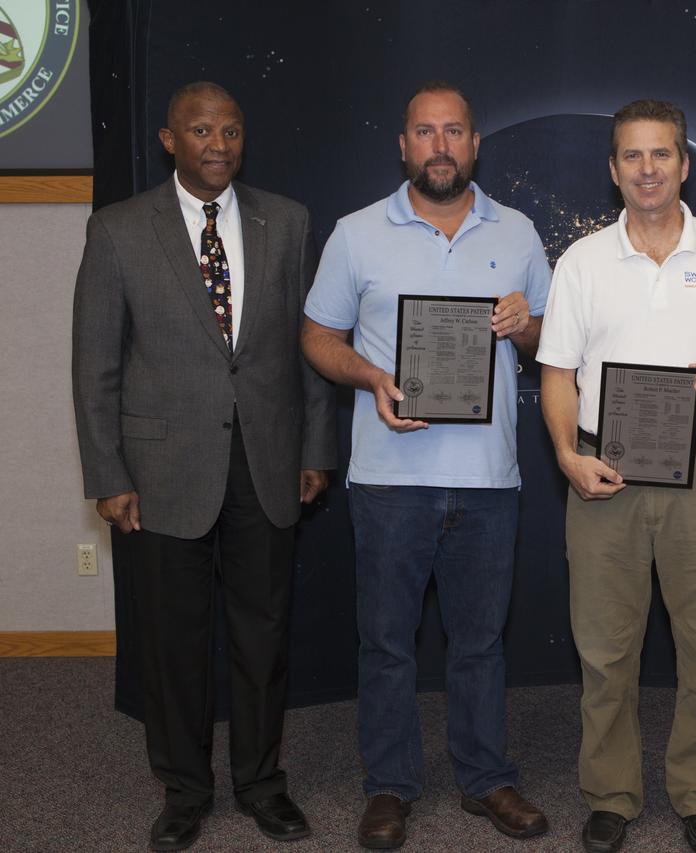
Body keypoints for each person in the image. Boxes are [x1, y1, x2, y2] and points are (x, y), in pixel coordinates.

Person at [71, 81, 335, 851]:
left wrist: (316, 448)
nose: (218, 144)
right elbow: (94, 366)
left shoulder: (288, 221)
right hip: (161, 474)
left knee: (263, 638)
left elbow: (313, 347)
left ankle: (261, 784)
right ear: (169, 140)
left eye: (231, 131)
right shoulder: (118, 230)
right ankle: (185, 790)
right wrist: (108, 474)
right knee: (173, 644)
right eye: (201, 130)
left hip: (267, 463)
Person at [300, 81, 550, 850]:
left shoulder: (519, 231)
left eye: (454, 131)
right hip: (390, 480)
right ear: (403, 145)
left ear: (474, 143)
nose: (440, 145)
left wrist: (525, 325)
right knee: (386, 643)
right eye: (425, 131)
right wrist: (372, 377)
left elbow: (551, 338)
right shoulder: (355, 233)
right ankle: (389, 784)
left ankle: (486, 777)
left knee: (480, 642)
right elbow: (317, 336)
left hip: (489, 480)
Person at [537, 99, 696, 853]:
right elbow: (557, 371)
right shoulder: (582, 262)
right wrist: (566, 454)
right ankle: (610, 793)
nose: (647, 169)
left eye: (660, 154)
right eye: (632, 156)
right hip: (604, 470)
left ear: (684, 163)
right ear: (613, 170)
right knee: (605, 648)